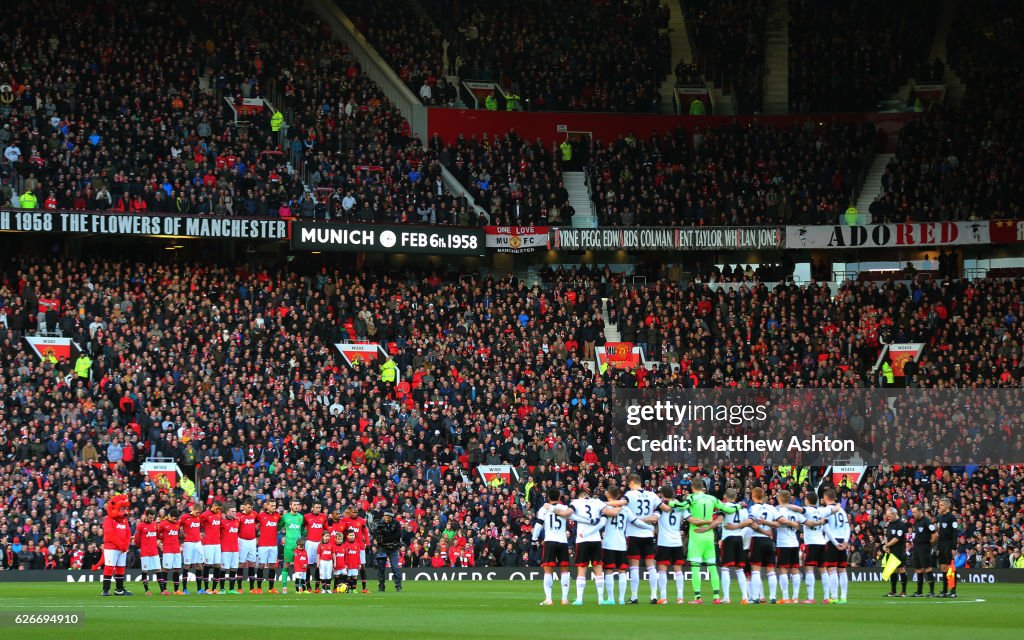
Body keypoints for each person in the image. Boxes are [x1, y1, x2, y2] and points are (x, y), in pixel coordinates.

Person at [670, 477, 737, 603]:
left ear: (693, 487)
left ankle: (697, 597)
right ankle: (716, 597)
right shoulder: (712, 498)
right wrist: (739, 507)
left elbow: (681, 505)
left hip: (696, 536)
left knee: (696, 567)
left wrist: (669, 503)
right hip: (709, 535)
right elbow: (728, 509)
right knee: (712, 566)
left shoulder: (692, 498)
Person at [598, 485, 653, 605]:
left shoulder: (606, 508)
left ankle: (611, 599)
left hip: (608, 544)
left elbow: (600, 522)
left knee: (608, 571)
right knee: (622, 570)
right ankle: (621, 599)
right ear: (618, 495)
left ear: (608, 494)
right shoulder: (626, 508)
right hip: (622, 544)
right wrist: (649, 526)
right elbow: (636, 521)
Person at [620, 474, 662, 604]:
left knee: (634, 567)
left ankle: (634, 596)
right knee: (651, 566)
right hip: (648, 535)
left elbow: (622, 507)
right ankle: (654, 596)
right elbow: (660, 512)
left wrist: (636, 519)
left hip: (634, 535)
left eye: (628, 483)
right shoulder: (652, 494)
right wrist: (650, 518)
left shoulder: (629, 495)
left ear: (632, 482)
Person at [533, 488, 576, 605]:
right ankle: (564, 599)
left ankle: (548, 599)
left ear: (548, 497)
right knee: (564, 570)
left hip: (550, 540)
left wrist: (534, 539)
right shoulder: (564, 508)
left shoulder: (544, 509)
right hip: (562, 541)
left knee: (548, 570)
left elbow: (538, 525)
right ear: (559, 497)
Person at [568, 487, 608, 605]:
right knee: (598, 569)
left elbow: (569, 515)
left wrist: (585, 520)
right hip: (595, 539)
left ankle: (579, 599)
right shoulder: (597, 502)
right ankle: (601, 599)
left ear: (580, 496)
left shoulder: (576, 502)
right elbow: (607, 511)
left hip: (582, 540)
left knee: (582, 569)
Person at [652, 485, 686, 604]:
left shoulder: (661, 507)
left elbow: (654, 519)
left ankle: (664, 597)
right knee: (678, 570)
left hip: (664, 542)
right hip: (677, 541)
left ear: (662, 494)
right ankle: (680, 597)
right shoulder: (680, 506)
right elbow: (690, 518)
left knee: (662, 570)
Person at [718, 488, 752, 604]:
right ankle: (744, 597)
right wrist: (738, 527)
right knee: (739, 569)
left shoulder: (724, 507)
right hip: (739, 538)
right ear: (735, 497)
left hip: (728, 538)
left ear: (725, 496)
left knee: (725, 568)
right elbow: (748, 522)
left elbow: (719, 520)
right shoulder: (742, 508)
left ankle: (727, 597)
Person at [746, 486, 780, 604]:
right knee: (771, 570)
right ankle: (773, 597)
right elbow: (778, 523)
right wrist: (767, 524)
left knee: (756, 570)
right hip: (769, 541)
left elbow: (750, 523)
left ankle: (755, 597)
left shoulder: (752, 509)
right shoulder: (771, 508)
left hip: (757, 539)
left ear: (753, 496)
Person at [772, 490, 805, 603]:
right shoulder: (794, 511)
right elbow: (803, 522)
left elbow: (776, 522)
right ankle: (795, 597)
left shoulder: (777, 510)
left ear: (780, 498)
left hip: (783, 543)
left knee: (783, 569)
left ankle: (785, 597)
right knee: (795, 569)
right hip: (794, 543)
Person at [99, 494, 132, 596]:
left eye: (125, 508)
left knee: (121, 567)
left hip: (122, 549)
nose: (124, 511)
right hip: (111, 548)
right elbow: (110, 534)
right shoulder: (108, 519)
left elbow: (128, 533)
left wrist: (125, 545)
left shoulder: (124, 520)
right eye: (121, 508)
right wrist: (121, 545)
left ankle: (119, 589)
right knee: (109, 567)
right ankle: (105, 589)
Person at [822, 487, 851, 603]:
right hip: (842, 539)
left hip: (832, 540)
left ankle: (834, 597)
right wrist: (845, 541)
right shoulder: (842, 511)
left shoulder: (826, 510)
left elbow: (826, 528)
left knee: (832, 569)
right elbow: (847, 527)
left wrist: (835, 543)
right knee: (842, 570)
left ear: (825, 498)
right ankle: (843, 597)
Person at [134, 508, 167, 595]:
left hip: (154, 551)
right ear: (146, 516)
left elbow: (158, 535)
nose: (151, 519)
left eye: (153, 518)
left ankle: (162, 590)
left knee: (158, 570)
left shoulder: (155, 524)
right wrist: (143, 546)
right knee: (145, 571)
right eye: (150, 517)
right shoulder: (140, 526)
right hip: (145, 552)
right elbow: (136, 540)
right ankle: (147, 590)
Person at [910, 504, 937, 597]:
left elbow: (935, 534)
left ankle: (932, 592)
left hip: (924, 547)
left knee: (927, 568)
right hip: (916, 547)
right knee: (918, 569)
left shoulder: (927, 521)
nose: (913, 514)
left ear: (920, 511)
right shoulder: (916, 521)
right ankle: (919, 592)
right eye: (912, 512)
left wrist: (929, 543)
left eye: (914, 512)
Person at [373, 511, 403, 593]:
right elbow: (377, 536)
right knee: (381, 568)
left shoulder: (396, 524)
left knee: (395, 568)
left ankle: (398, 586)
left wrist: (386, 539)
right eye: (385, 517)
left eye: (387, 517)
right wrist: (391, 538)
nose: (386, 519)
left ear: (391, 517)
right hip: (382, 548)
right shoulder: (379, 524)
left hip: (393, 548)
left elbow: (398, 535)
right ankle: (381, 587)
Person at [256, 499, 281, 593]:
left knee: (272, 566)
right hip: (263, 545)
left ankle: (271, 588)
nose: (273, 507)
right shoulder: (261, 515)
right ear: (267, 506)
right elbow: (254, 523)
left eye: (275, 505)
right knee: (261, 565)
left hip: (273, 545)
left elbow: (280, 524)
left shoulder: (277, 515)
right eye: (271, 505)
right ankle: (259, 588)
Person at [883, 507, 909, 597]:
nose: (888, 518)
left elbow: (896, 539)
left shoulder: (900, 524)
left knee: (901, 569)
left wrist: (887, 545)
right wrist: (887, 547)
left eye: (889, 516)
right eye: (887, 516)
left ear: (894, 514)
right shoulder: (889, 523)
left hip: (899, 550)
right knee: (892, 570)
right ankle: (893, 591)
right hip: (890, 550)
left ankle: (903, 591)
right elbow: (886, 536)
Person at [936, 498, 959, 598]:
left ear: (947, 506)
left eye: (941, 505)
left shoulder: (952, 518)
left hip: (949, 544)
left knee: (951, 568)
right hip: (941, 545)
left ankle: (953, 590)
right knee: (943, 567)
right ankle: (945, 590)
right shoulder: (941, 518)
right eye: (939, 505)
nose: (939, 507)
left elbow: (955, 533)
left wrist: (953, 547)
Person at [280, 500, 305, 592]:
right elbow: (279, 527)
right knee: (286, 564)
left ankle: (299, 586)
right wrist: (283, 537)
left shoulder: (301, 517)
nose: (296, 506)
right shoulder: (285, 517)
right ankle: (284, 586)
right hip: (289, 545)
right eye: (294, 505)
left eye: (297, 505)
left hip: (298, 546)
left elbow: (302, 530)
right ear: (290, 506)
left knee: (299, 566)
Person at [199, 501, 224, 594]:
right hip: (208, 544)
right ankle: (206, 588)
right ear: (213, 506)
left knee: (217, 565)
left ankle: (214, 588)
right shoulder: (205, 515)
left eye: (220, 509)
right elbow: (198, 524)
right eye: (217, 508)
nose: (219, 510)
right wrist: (201, 532)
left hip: (217, 543)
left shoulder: (219, 514)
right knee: (207, 564)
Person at [179, 503, 204, 594]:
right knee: (187, 565)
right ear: (193, 509)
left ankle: (199, 589)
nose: (198, 515)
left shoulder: (199, 517)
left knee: (199, 565)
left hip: (198, 543)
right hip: (188, 543)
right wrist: (182, 536)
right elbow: (177, 527)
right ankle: (185, 589)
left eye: (199, 513)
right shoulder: (185, 517)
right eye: (197, 512)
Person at [157, 509, 184, 594]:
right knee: (166, 568)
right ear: (169, 516)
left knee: (176, 568)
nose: (175, 520)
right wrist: (163, 540)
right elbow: (157, 533)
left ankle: (176, 590)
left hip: (176, 549)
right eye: (174, 519)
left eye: (176, 519)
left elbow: (178, 534)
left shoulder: (177, 523)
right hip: (168, 549)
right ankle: (164, 589)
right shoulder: (163, 523)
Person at [303, 504, 328, 589]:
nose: (318, 509)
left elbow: (326, 528)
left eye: (319, 507)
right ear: (312, 508)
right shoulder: (306, 516)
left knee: (319, 565)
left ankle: (317, 586)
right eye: (316, 507)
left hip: (319, 543)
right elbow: (302, 527)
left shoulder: (324, 516)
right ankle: (308, 585)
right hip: (309, 543)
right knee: (308, 565)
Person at [237, 500, 260, 593]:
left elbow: (260, 520)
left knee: (252, 563)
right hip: (242, 541)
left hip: (252, 541)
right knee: (241, 563)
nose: (250, 509)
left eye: (251, 507)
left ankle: (251, 588)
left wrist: (257, 527)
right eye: (249, 507)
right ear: (244, 506)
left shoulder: (254, 514)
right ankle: (239, 588)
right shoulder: (239, 515)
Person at [220, 504, 241, 594]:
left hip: (235, 549)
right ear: (227, 512)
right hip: (225, 549)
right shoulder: (222, 522)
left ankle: (231, 589)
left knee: (233, 569)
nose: (234, 513)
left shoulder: (237, 521)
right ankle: (222, 589)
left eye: (235, 511)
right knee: (224, 569)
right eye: (232, 511)